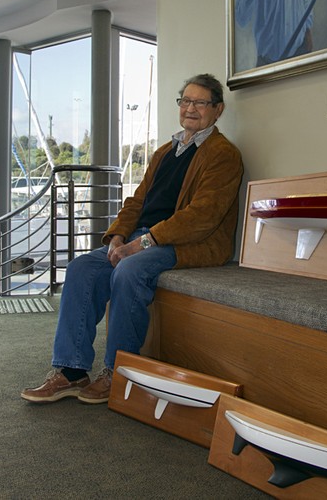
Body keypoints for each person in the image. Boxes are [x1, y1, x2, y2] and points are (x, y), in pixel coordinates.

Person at [21, 73, 243, 404]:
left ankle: (118, 372)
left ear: (218, 109)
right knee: (82, 267)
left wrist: (141, 243)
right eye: (185, 101)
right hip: (142, 238)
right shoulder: (165, 151)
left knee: (128, 270)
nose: (190, 109)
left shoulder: (223, 154)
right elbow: (136, 202)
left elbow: (202, 217)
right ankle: (71, 371)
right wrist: (117, 237)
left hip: (186, 244)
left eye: (200, 102)